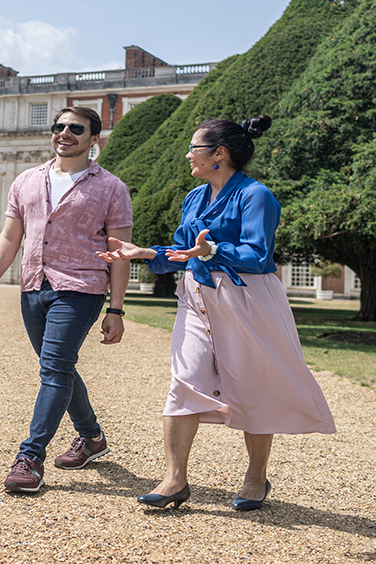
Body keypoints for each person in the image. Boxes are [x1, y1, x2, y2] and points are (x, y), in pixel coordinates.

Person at [97, 115, 335, 511]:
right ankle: (174, 479)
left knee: (254, 386)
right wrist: (144, 253)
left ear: (219, 153)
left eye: (194, 148)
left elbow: (258, 254)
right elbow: (182, 252)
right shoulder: (194, 198)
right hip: (195, 296)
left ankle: (256, 477)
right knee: (184, 380)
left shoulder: (256, 195)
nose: (188, 155)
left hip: (247, 300)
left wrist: (212, 250)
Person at [0, 106, 133, 493]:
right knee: (57, 368)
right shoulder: (27, 180)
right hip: (33, 285)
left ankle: (30, 458)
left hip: (80, 287)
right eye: (59, 126)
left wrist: (115, 309)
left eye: (75, 128)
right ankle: (92, 437)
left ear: (93, 139)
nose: (65, 133)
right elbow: (10, 237)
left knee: (55, 368)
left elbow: (120, 252)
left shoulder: (111, 187)